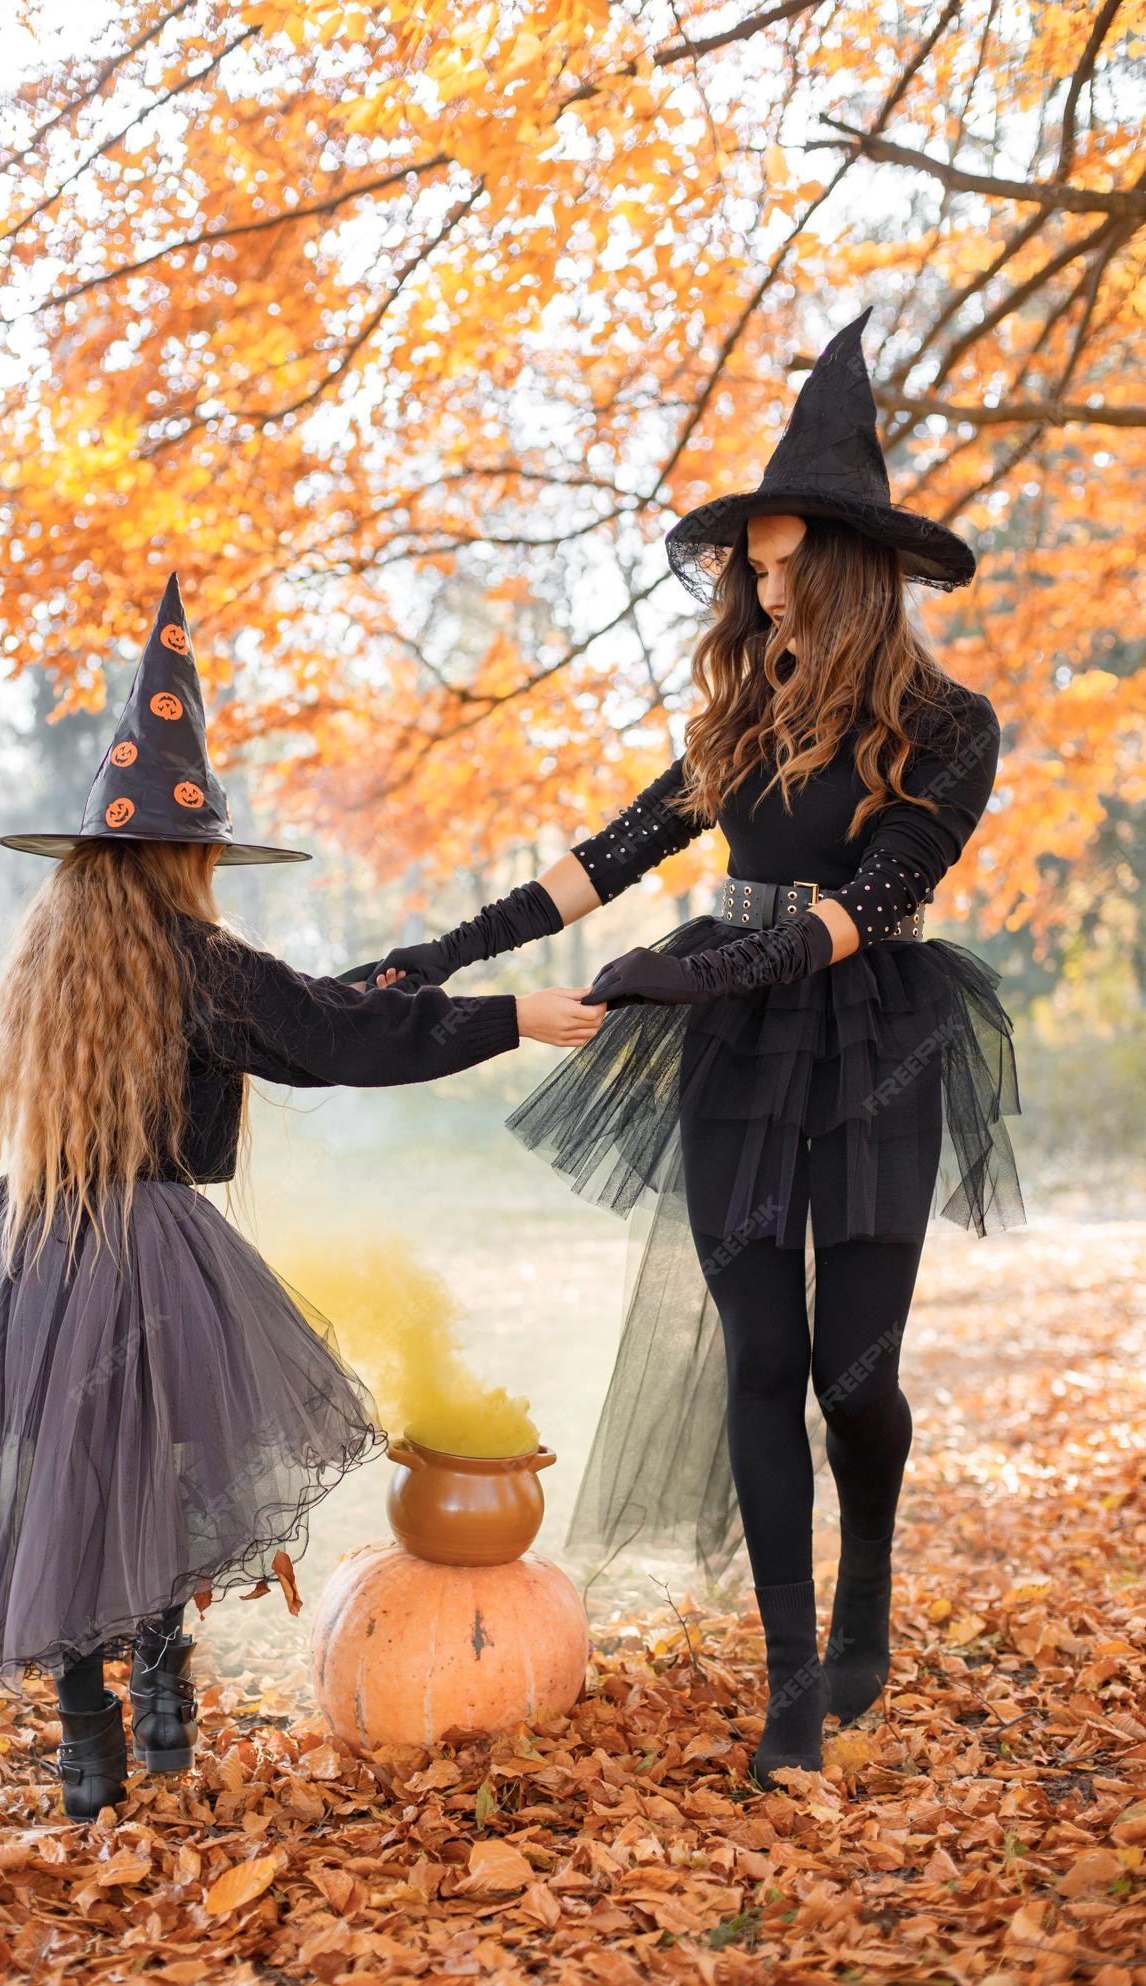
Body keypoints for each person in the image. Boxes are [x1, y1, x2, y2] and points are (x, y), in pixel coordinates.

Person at [346, 308, 1025, 1791]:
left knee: (854, 1376)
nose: (762, 593)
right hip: (731, 1047)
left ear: (846, 569)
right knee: (760, 1358)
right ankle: (791, 1679)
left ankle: (866, 1595)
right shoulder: (737, 720)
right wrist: (446, 950)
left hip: (872, 1043)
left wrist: (692, 967)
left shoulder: (950, 726)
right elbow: (611, 856)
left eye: (785, 568)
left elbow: (873, 901)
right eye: (751, 570)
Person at [0, 573, 605, 1823]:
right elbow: (326, 1036)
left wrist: (399, 984)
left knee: (62, 1475)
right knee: (164, 1464)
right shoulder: (198, 958)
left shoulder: (54, 958)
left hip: (28, 1246)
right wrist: (512, 1014)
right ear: (188, 854)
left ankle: (89, 1736)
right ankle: (166, 1682)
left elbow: (298, 1015)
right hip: (156, 1257)